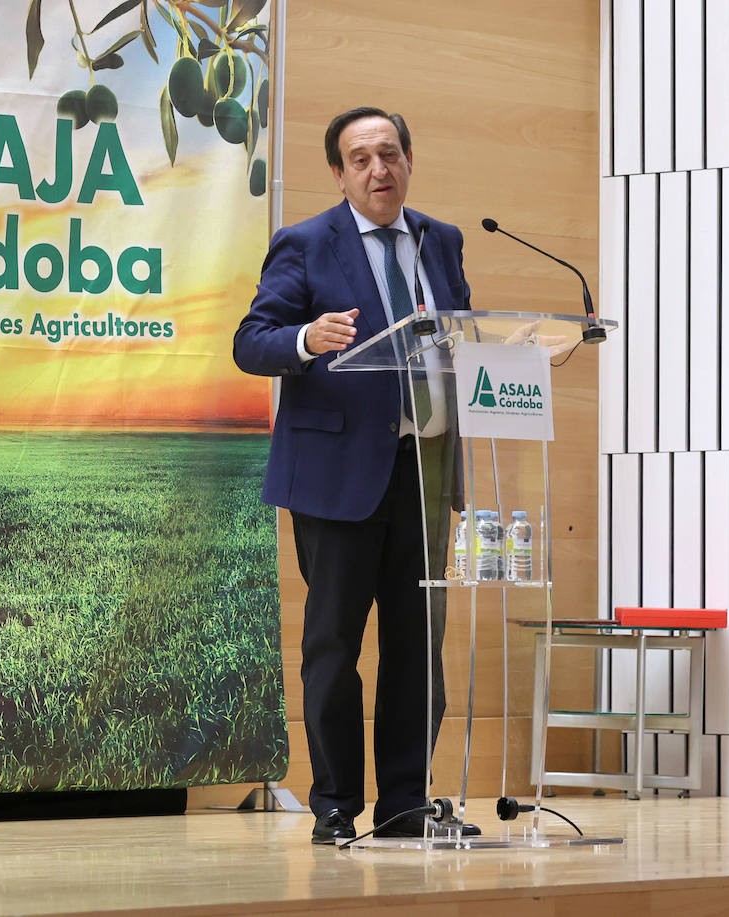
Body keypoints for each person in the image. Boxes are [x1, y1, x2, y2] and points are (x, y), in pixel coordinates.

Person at [232, 107, 478, 844]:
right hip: (339, 474)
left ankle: (405, 804)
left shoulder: (443, 240)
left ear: (410, 159)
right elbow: (252, 340)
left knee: (416, 647)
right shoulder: (307, 243)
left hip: (425, 471)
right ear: (339, 172)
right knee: (334, 646)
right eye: (361, 158)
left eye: (391, 154)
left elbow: (458, 337)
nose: (379, 169)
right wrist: (306, 338)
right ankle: (335, 802)